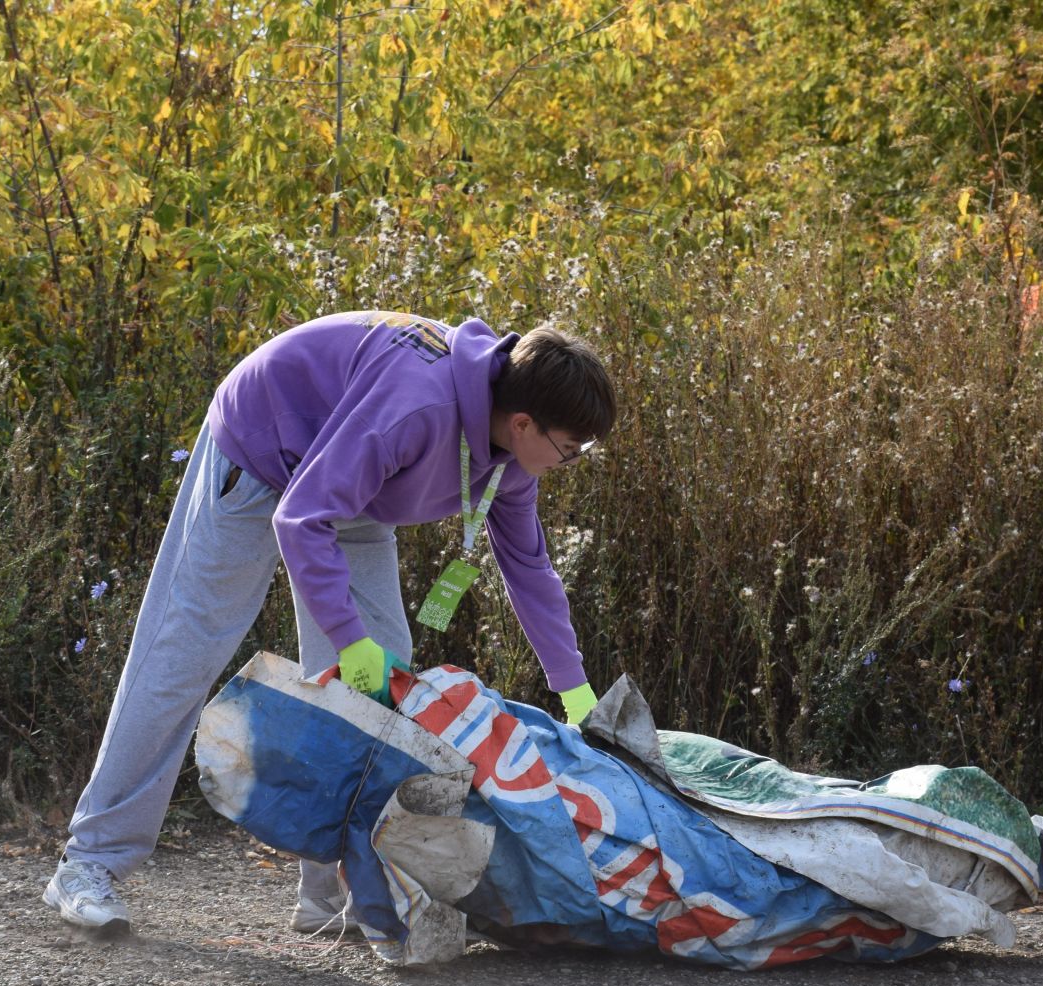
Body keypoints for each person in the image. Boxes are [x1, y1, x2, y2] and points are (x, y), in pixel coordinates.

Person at [45, 312, 616, 935]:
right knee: (182, 657)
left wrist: (575, 691)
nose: (574, 461)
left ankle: (328, 894)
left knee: (379, 694)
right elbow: (299, 519)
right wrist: (348, 639)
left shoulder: (511, 457)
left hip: (351, 484)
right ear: (524, 422)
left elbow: (529, 570)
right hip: (262, 450)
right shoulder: (416, 408)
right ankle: (89, 863)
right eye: (571, 448)